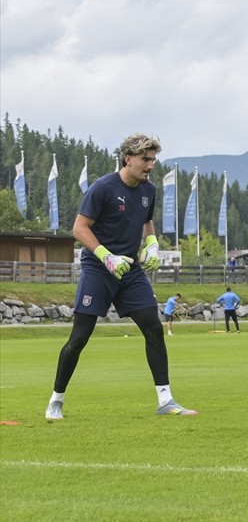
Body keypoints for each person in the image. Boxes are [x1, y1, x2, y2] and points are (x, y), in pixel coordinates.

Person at [44, 133, 197, 420]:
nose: (150, 165)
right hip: (98, 269)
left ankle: (166, 401)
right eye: (145, 160)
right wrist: (106, 256)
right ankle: (56, 400)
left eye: (153, 160)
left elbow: (147, 221)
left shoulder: (148, 190)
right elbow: (79, 228)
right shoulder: (102, 188)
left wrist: (152, 243)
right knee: (79, 337)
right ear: (128, 159)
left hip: (130, 271)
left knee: (153, 328)